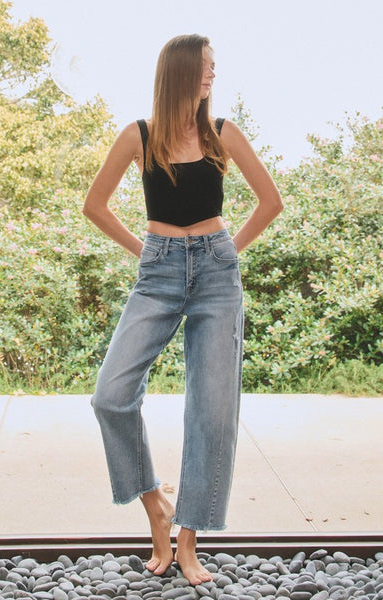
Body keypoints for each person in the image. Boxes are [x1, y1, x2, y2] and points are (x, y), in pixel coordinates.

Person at [83, 33, 283, 585]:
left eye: (214, 67)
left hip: (217, 274)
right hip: (159, 273)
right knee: (111, 395)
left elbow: (271, 202)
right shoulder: (138, 136)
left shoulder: (223, 133)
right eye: (205, 67)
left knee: (212, 413)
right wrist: (147, 253)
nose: (212, 75)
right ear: (180, 71)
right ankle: (156, 508)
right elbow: (94, 205)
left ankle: (189, 540)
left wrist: (225, 253)